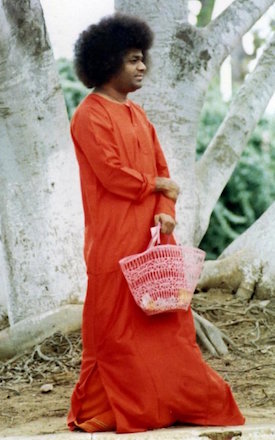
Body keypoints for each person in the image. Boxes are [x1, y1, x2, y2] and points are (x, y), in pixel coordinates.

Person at [67, 13, 245, 433]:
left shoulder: (138, 116)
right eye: (133, 60)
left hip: (152, 239)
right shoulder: (88, 116)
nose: (142, 66)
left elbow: (165, 172)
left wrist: (166, 207)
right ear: (108, 62)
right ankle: (113, 408)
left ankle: (170, 402)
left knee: (166, 327)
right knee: (113, 330)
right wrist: (156, 184)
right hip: (112, 241)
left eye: (142, 58)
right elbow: (111, 174)